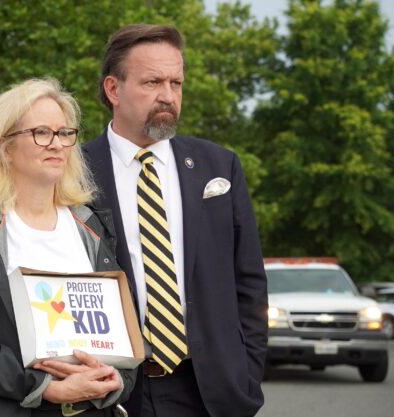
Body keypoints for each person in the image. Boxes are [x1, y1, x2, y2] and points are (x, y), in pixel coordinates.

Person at [83, 24, 268, 417]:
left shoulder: (219, 166)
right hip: (112, 391)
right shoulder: (74, 172)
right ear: (113, 90)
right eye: (152, 82)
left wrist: (247, 373)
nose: (168, 96)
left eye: (176, 82)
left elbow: (249, 280)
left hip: (208, 391)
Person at [0, 78, 136, 417]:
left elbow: (124, 332)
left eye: (64, 133)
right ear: (5, 147)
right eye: (41, 132)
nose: (56, 144)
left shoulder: (91, 226)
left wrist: (115, 379)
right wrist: (47, 387)